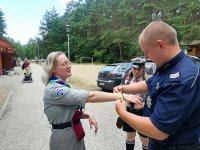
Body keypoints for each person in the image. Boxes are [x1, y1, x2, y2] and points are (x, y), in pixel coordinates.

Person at [114, 21, 200, 150]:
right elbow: (151, 83)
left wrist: (121, 112)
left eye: (146, 51)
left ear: (160, 45)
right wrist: (124, 88)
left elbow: (158, 130)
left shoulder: (182, 78)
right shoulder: (168, 65)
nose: (146, 57)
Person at [42, 51, 137, 150]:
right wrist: (121, 96)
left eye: (69, 62)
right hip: (64, 139)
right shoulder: (55, 89)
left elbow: (67, 113)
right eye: (64, 64)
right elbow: (91, 97)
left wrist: (88, 114)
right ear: (52, 69)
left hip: (72, 134)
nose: (69, 66)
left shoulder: (62, 86)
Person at [116, 57, 149, 150]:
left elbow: (154, 98)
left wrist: (144, 105)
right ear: (131, 68)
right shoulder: (126, 78)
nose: (136, 71)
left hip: (143, 113)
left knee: (145, 139)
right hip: (129, 110)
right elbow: (121, 94)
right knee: (130, 135)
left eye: (139, 69)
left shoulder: (148, 79)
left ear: (143, 68)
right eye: (134, 68)